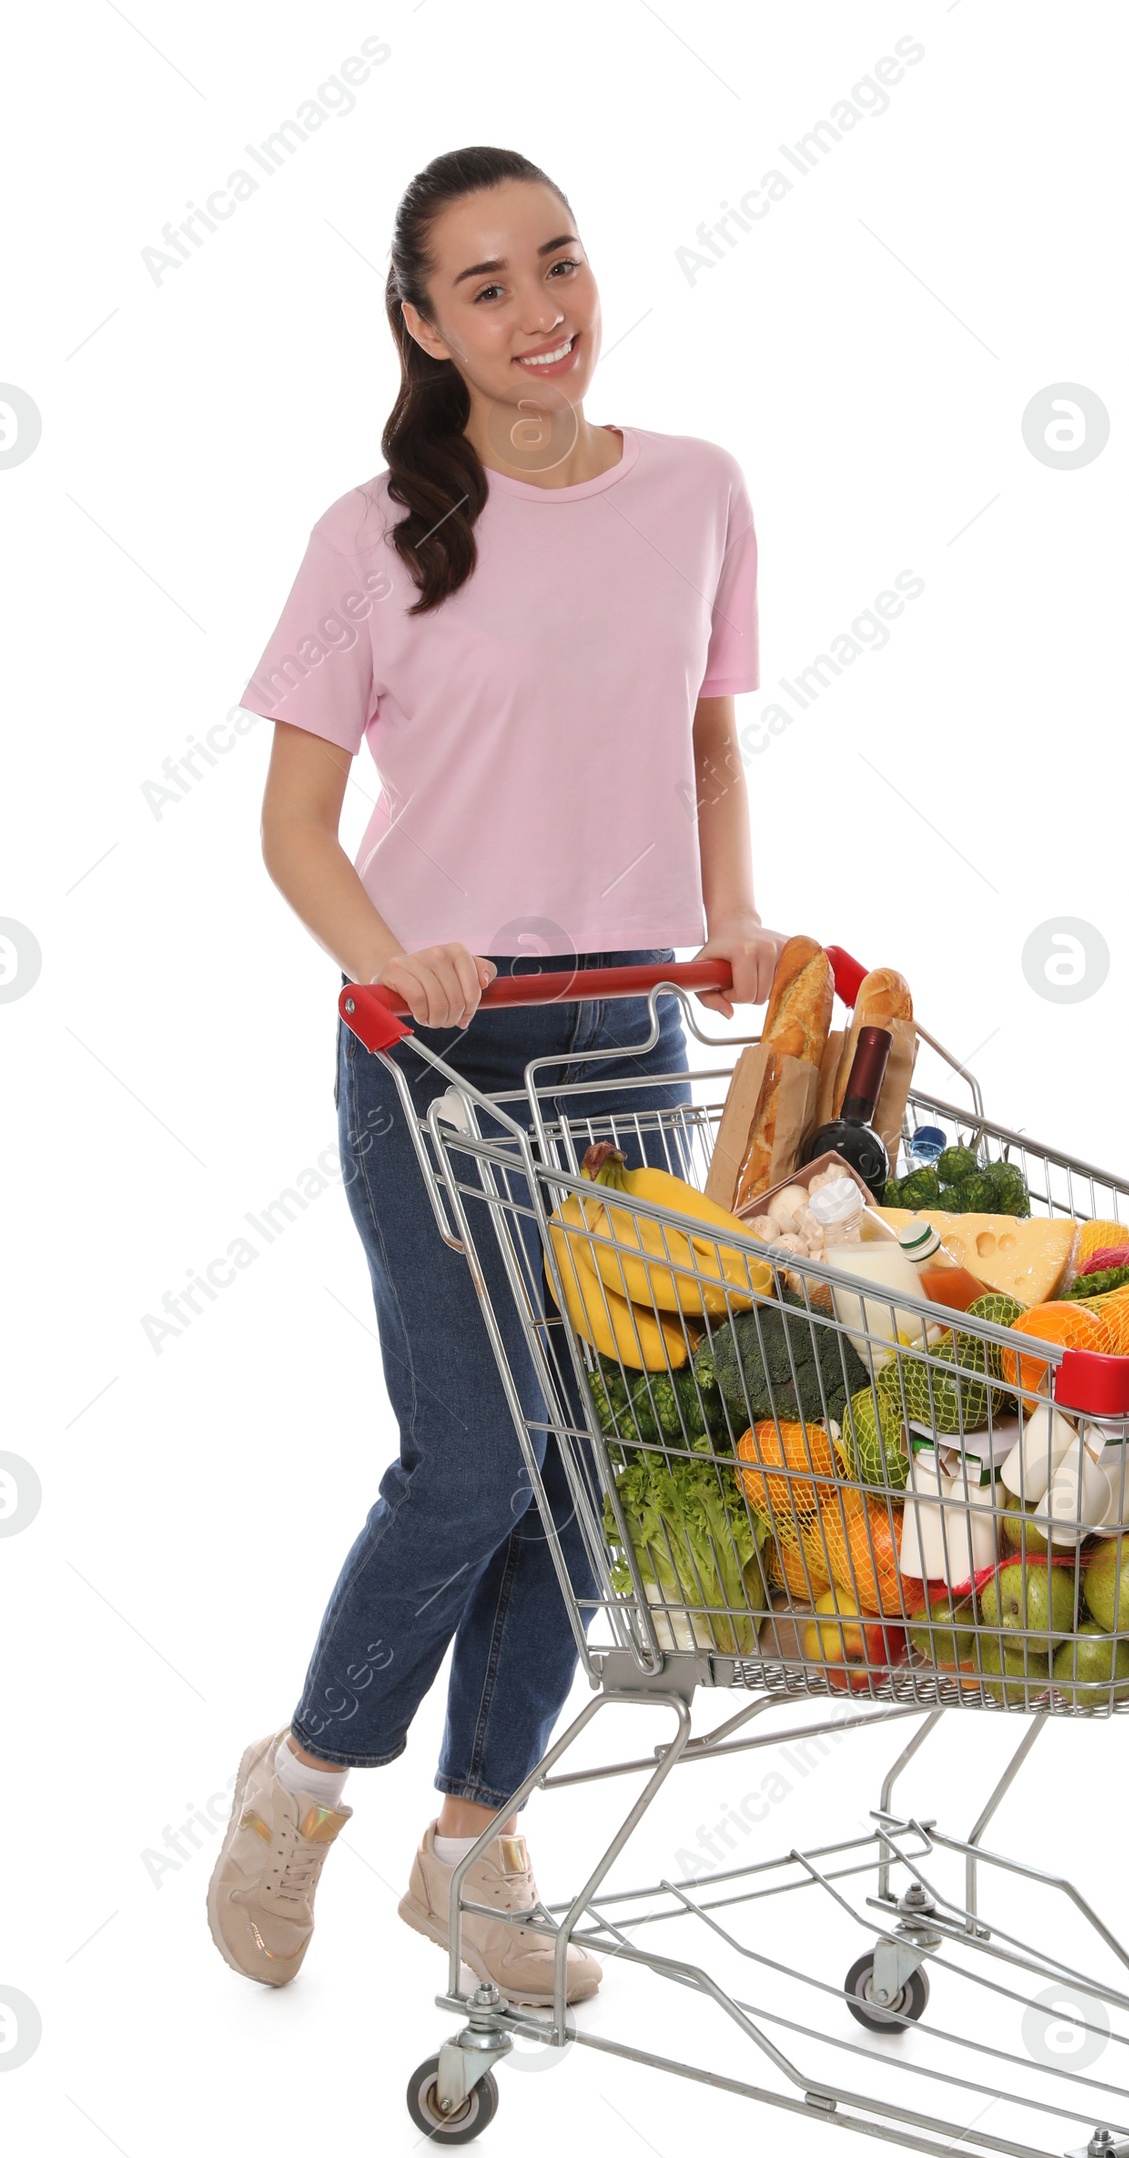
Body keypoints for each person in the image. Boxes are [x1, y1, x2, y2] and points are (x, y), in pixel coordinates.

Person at [207, 145, 781, 2007]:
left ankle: (474, 1844)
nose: (544, 310)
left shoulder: (697, 490)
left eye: (561, 261)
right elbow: (296, 829)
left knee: (593, 1465)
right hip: (432, 1043)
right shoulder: (370, 535)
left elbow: (702, 748)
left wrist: (742, 919)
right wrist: (394, 957)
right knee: (473, 1451)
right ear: (419, 324)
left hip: (627, 1029)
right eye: (486, 286)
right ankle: (302, 1784)